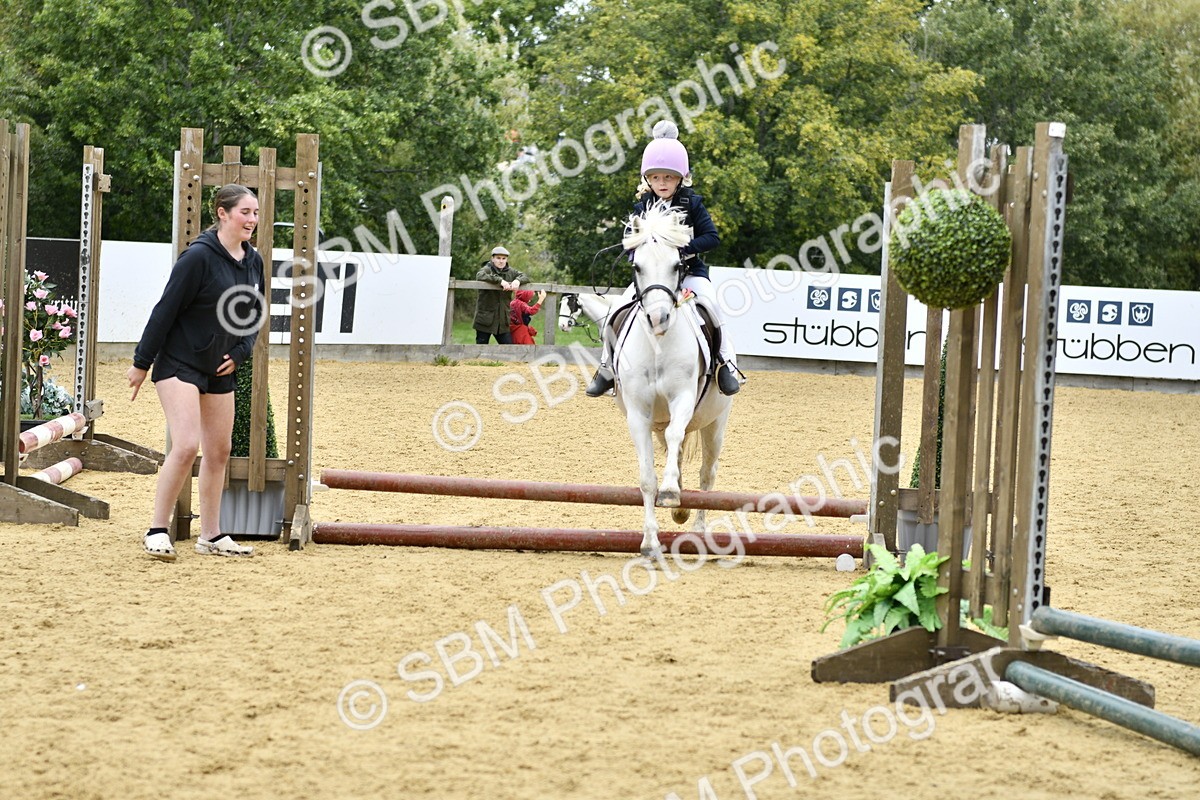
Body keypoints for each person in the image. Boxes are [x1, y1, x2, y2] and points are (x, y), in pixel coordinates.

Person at [128, 184, 265, 561]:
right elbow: (165, 310)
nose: (252, 219)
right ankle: (157, 529)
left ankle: (211, 535)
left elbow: (255, 312)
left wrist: (241, 351)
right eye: (245, 212)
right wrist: (141, 362)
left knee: (219, 451)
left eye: (255, 213)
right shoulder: (198, 257)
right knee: (187, 445)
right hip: (179, 362)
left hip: (219, 368)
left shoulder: (253, 261)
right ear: (222, 212)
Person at [586, 120, 743, 397]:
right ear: (647, 179)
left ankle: (724, 364)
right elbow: (630, 241)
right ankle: (607, 367)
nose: (662, 183)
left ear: (681, 178)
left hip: (689, 273)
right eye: (656, 177)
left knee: (713, 306)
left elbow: (712, 237)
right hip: (652, 277)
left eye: (669, 177)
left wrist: (681, 250)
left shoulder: (692, 204)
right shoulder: (642, 206)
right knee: (617, 312)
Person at [474, 246, 528, 344]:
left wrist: (517, 280)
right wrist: (500, 281)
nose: (501, 261)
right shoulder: (487, 269)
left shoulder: (511, 272)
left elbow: (525, 276)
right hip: (485, 319)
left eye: (504, 258)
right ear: (492, 258)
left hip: (502, 320)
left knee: (508, 349)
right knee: (481, 348)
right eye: (498, 258)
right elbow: (479, 275)